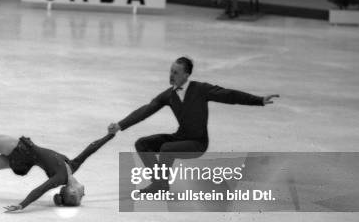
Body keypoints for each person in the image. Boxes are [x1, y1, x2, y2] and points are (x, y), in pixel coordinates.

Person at [108, 56, 279, 194]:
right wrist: (120, 125)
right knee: (143, 143)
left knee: (167, 148)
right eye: (171, 71)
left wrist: (259, 100)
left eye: (176, 72)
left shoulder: (201, 89)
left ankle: (160, 184)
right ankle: (160, 183)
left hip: (197, 143)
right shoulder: (168, 95)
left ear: (186, 75)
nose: (171, 75)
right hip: (181, 137)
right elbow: (146, 110)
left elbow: (229, 95)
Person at [0, 121, 114, 211]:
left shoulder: (61, 177)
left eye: (80, 196)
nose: (84, 193)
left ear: (72, 192)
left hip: (21, 150)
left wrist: (22, 205)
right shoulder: (72, 167)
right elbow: (91, 149)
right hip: (22, 162)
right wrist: (110, 136)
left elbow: (40, 190)